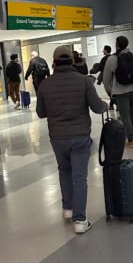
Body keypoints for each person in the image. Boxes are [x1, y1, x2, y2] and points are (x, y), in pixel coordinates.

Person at [36, 45, 107, 234]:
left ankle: (67, 210)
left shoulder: (45, 84)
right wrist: (105, 105)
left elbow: (41, 113)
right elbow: (97, 108)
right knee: (79, 176)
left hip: (57, 138)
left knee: (64, 171)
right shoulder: (83, 81)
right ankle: (80, 220)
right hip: (80, 136)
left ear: (53, 63)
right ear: (73, 61)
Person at [103, 35, 133, 148]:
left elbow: (106, 78)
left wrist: (109, 91)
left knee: (125, 115)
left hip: (120, 91)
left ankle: (130, 140)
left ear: (117, 45)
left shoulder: (112, 59)